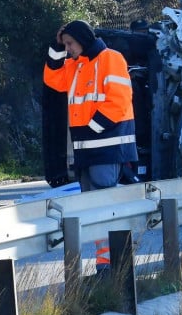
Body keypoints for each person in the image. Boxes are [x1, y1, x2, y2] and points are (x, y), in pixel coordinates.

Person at [43, 20, 137, 191]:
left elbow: (119, 100)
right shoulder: (75, 65)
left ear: (82, 38)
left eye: (69, 43)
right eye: (65, 44)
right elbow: (53, 80)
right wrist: (57, 47)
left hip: (107, 147)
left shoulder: (110, 58)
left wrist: (93, 127)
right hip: (85, 148)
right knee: (90, 204)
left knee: (103, 200)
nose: (68, 48)